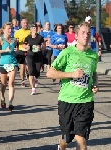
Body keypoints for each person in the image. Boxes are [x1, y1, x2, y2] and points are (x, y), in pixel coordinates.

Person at [47, 22, 99, 150]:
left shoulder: (93, 55)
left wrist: (95, 84)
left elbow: (94, 73)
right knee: (66, 138)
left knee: (81, 139)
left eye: (88, 33)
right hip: (67, 101)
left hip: (86, 101)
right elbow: (50, 73)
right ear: (76, 35)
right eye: (83, 32)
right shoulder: (67, 52)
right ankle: (61, 147)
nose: (86, 35)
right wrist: (72, 74)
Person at [0, 22, 18, 111]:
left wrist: (17, 50)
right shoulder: (1, 39)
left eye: (11, 29)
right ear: (4, 30)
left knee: (11, 83)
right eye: (8, 29)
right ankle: (2, 97)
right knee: (4, 84)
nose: (10, 30)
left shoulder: (14, 40)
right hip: (3, 64)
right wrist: (4, 50)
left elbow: (15, 51)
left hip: (13, 63)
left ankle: (10, 103)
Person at [24, 24, 45, 95]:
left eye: (35, 28)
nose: (34, 29)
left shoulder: (40, 37)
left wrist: (41, 48)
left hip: (38, 56)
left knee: (37, 72)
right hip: (30, 56)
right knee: (31, 72)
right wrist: (27, 47)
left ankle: (36, 79)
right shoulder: (28, 37)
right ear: (31, 29)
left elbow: (44, 46)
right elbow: (24, 45)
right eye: (33, 28)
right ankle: (33, 88)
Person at [14, 19, 31, 87]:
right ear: (21, 24)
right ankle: (22, 80)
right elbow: (15, 42)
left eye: (26, 23)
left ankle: (29, 76)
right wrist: (16, 46)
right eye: (24, 23)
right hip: (21, 50)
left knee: (29, 66)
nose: (25, 24)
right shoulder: (18, 32)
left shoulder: (29, 32)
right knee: (22, 66)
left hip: (28, 50)